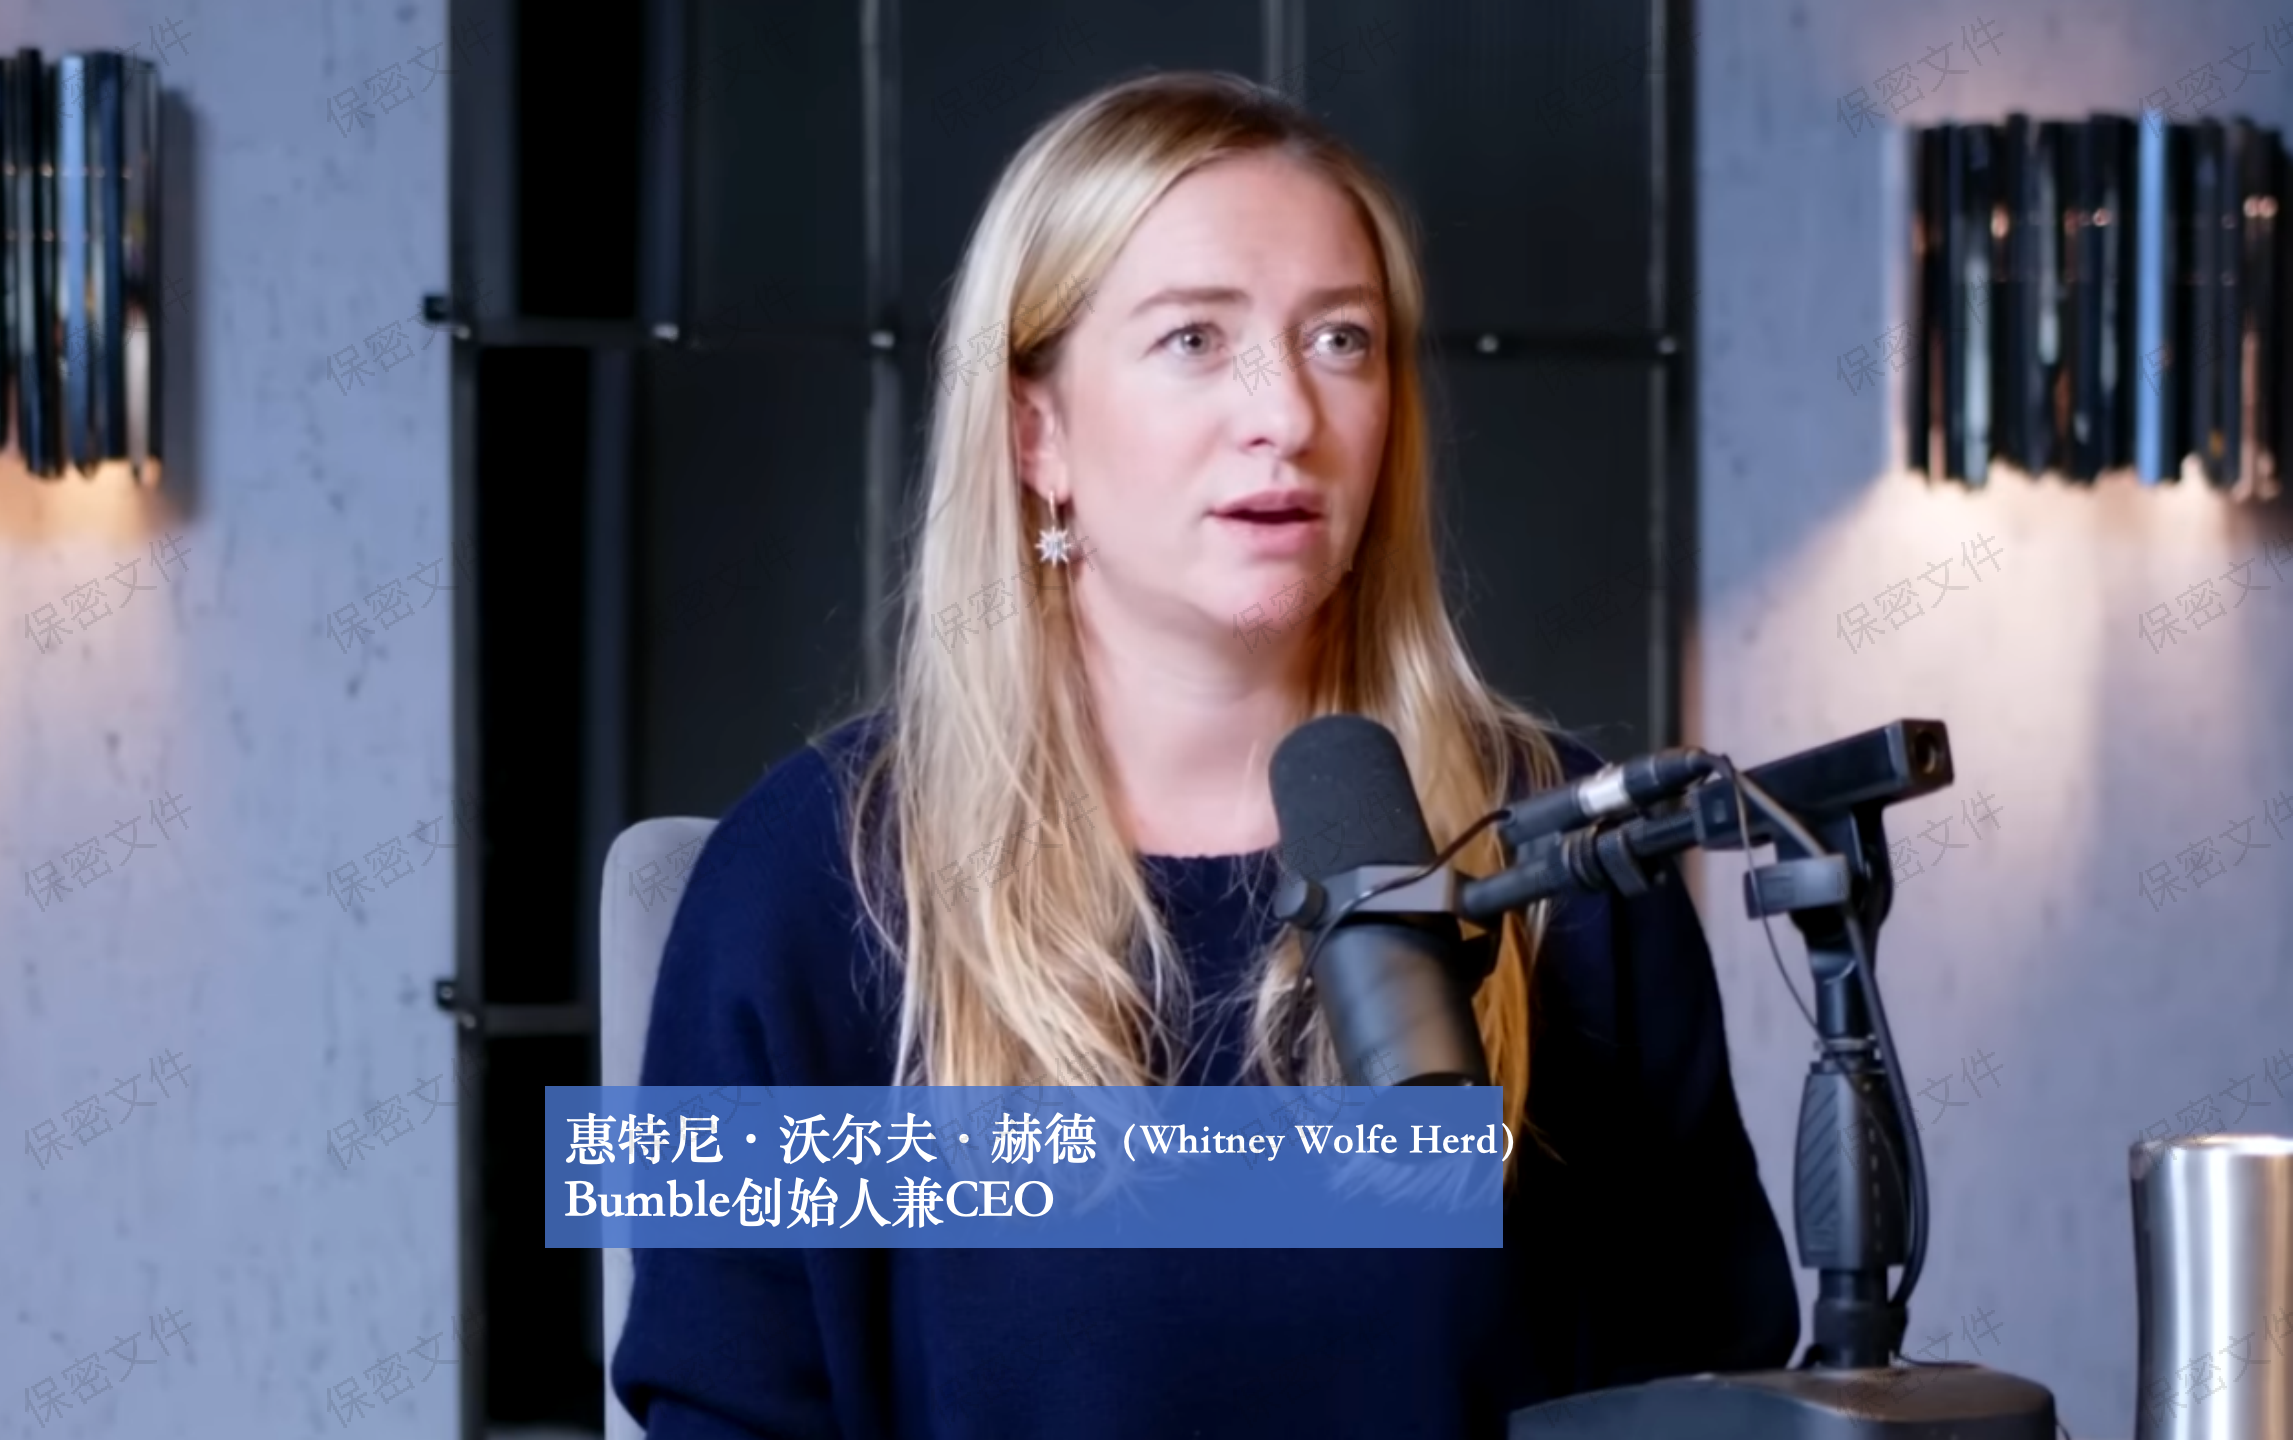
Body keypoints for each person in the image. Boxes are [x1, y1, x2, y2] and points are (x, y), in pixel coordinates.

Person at [612, 69, 1795, 1439]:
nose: (1285, 416)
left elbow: (1708, 1389)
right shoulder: (803, 883)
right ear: (1036, 431)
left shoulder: (1565, 863)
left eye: (1340, 340)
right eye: (1192, 339)